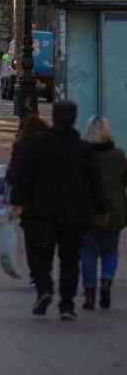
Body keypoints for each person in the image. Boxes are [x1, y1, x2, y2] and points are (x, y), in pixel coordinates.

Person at [11, 101, 106, 320]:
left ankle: (44, 287)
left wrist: (18, 201)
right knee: (70, 259)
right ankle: (66, 304)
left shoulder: (36, 145)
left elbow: (23, 176)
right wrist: (100, 208)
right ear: (73, 119)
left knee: (38, 254)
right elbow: (95, 182)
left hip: (39, 212)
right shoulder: (83, 149)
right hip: (73, 213)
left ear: (53, 117)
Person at [79, 116, 127, 310]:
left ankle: (89, 294)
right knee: (110, 250)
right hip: (114, 210)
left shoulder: (82, 155)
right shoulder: (118, 155)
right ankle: (106, 280)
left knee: (88, 253)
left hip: (87, 210)